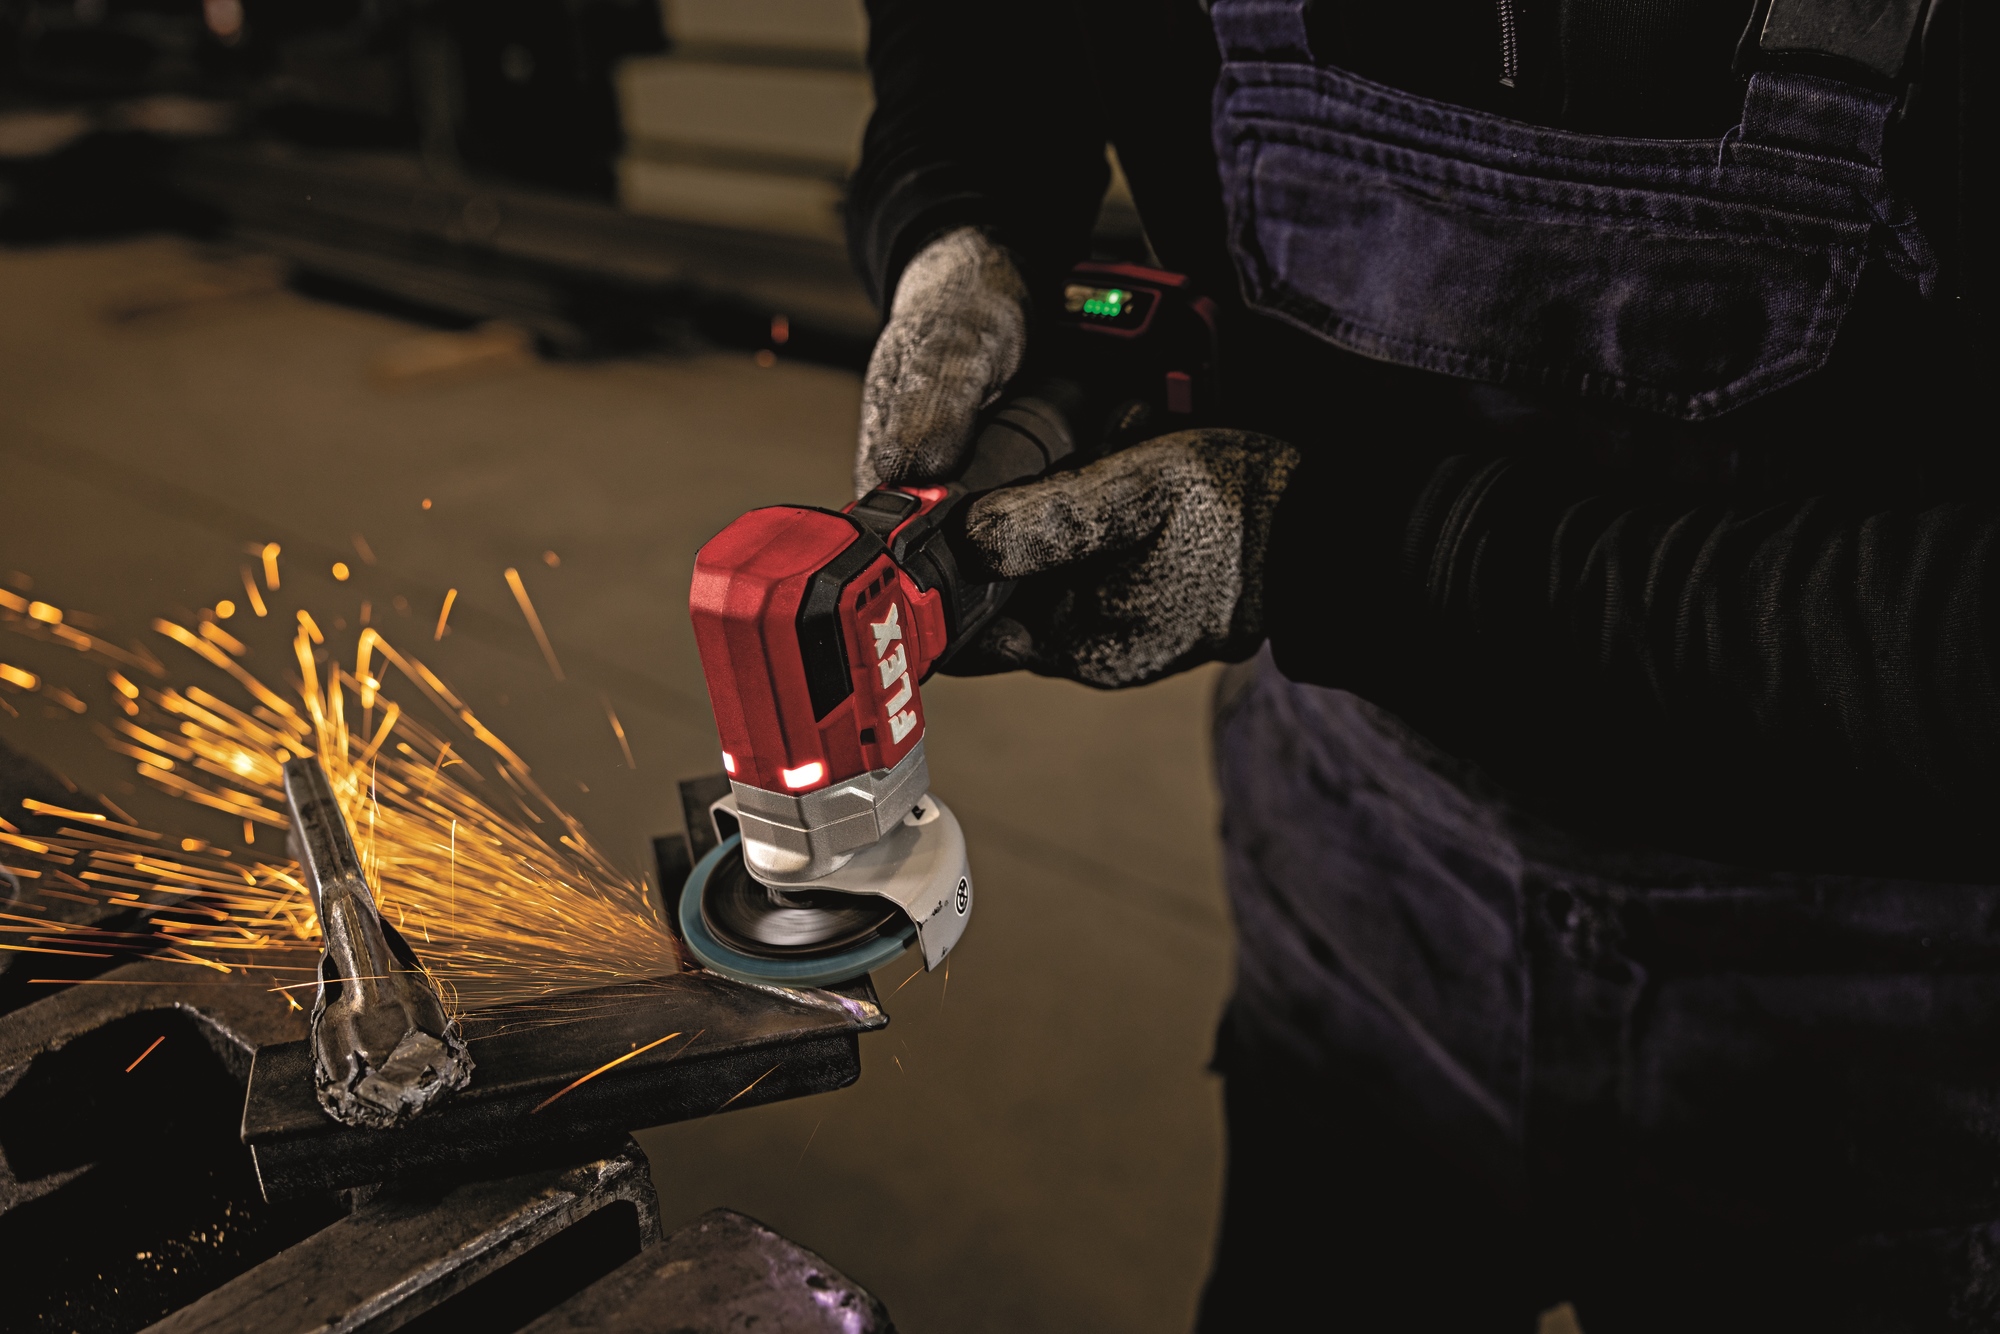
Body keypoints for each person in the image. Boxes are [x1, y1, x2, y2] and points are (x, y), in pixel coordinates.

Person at [845, 1, 1996, 1329]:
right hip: (1356, 855)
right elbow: (979, 37)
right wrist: (956, 215)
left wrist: (1325, 556)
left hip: (1885, 992)